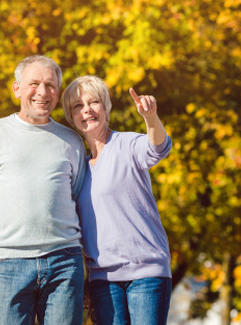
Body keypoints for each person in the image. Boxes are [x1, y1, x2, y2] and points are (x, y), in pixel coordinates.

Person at [0, 55, 86, 325]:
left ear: (57, 93)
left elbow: (82, 205)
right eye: (34, 83)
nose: (42, 92)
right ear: (17, 89)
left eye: (50, 85)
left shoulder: (72, 141)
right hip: (9, 264)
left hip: (65, 262)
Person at [62, 75, 172, 325]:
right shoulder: (77, 167)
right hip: (102, 281)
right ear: (71, 116)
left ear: (106, 107)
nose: (87, 110)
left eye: (93, 102)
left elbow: (158, 148)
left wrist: (150, 117)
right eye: (78, 106)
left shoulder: (126, 144)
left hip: (146, 274)